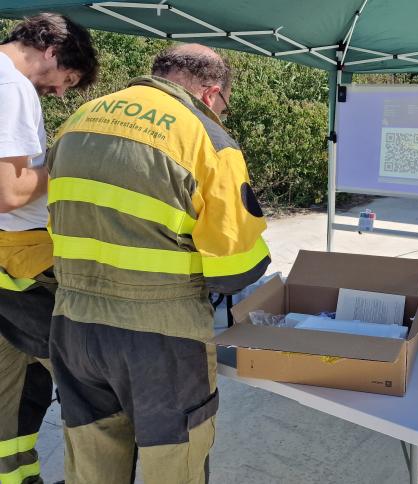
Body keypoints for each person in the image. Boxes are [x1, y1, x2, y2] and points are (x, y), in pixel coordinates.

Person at [45, 44, 270, 483]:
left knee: (91, 462)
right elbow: (235, 268)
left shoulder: (79, 120)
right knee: (176, 463)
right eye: (224, 103)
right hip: (161, 336)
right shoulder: (205, 136)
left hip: (72, 323)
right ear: (211, 93)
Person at [0, 14, 97, 484]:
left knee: (9, 388)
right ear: (53, 52)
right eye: (68, 80)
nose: (60, 92)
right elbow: (10, 192)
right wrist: (67, 166)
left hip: (9, 263)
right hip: (26, 259)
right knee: (88, 377)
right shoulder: (12, 85)